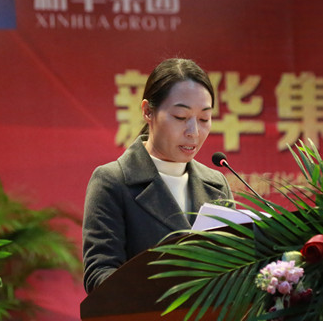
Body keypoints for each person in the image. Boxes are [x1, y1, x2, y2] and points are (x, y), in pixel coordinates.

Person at [82, 58, 233, 294]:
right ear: (147, 111)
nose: (194, 132)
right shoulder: (113, 181)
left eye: (204, 119)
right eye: (180, 117)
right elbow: (99, 275)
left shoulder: (216, 185)